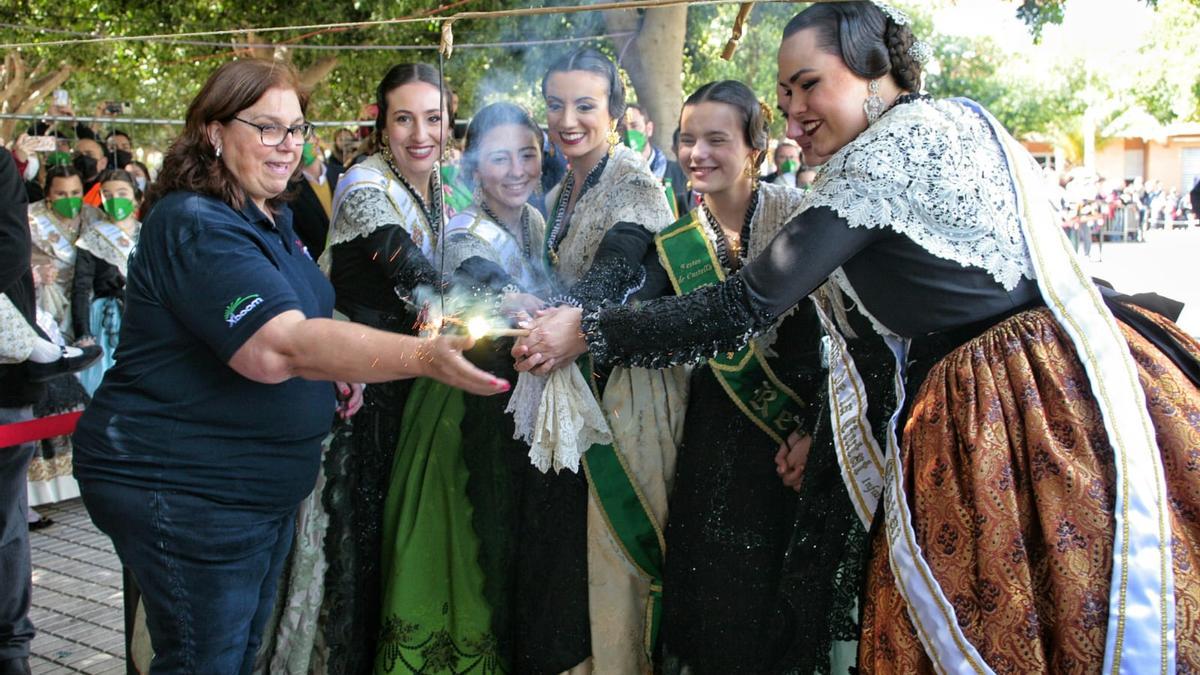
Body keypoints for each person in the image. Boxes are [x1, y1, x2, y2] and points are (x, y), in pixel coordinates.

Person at [516, 3, 1200, 672]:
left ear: (876, 72)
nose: (795, 113)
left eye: (810, 84)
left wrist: (591, 328)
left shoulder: (874, 161)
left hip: (998, 411)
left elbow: (747, 301)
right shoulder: (958, 119)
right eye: (783, 99)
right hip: (1071, 381)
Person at [71, 58, 505, 675]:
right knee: (204, 660)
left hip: (252, 488)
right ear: (215, 132)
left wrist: (335, 370)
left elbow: (307, 320)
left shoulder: (269, 215)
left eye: (297, 129)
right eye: (267, 128)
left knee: (238, 652)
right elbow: (278, 346)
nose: (288, 146)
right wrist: (423, 357)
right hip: (191, 486)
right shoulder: (197, 222)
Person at [375, 101, 550, 674]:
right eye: (500, 158)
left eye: (528, 153)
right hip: (459, 407)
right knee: (464, 544)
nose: (518, 169)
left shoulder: (534, 220)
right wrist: (508, 299)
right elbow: (479, 280)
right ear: (475, 168)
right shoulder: (463, 233)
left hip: (509, 400)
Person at [524, 46, 681, 674]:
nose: (568, 119)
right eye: (557, 104)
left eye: (585, 105)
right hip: (577, 383)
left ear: (614, 112)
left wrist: (564, 315)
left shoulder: (633, 181)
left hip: (625, 395)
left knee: (611, 554)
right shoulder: (562, 188)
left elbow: (617, 273)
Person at [316, 62, 454, 675]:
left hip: (411, 385)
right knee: (362, 540)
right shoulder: (364, 185)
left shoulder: (444, 187)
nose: (420, 133)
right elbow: (410, 271)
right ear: (382, 125)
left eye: (433, 118)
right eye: (405, 118)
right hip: (360, 391)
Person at [71, 168, 141, 395]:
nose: (115, 200)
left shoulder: (148, 233)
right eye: (108, 195)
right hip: (105, 319)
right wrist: (83, 333)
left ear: (136, 197)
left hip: (144, 314)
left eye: (122, 193)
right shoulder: (93, 236)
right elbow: (81, 286)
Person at [28, 164, 104, 342]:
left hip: (86, 304)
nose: (69, 199)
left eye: (75, 192)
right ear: (48, 194)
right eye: (61, 194)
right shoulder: (30, 217)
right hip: (44, 304)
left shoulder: (95, 216)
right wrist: (37, 272)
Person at [623, 103, 689, 216]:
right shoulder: (611, 177)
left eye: (634, 126)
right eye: (622, 128)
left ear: (649, 129)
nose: (629, 133)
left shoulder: (679, 173)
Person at [286, 137, 340, 260]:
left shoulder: (342, 173)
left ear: (316, 140)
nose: (302, 146)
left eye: (306, 139)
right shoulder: (288, 190)